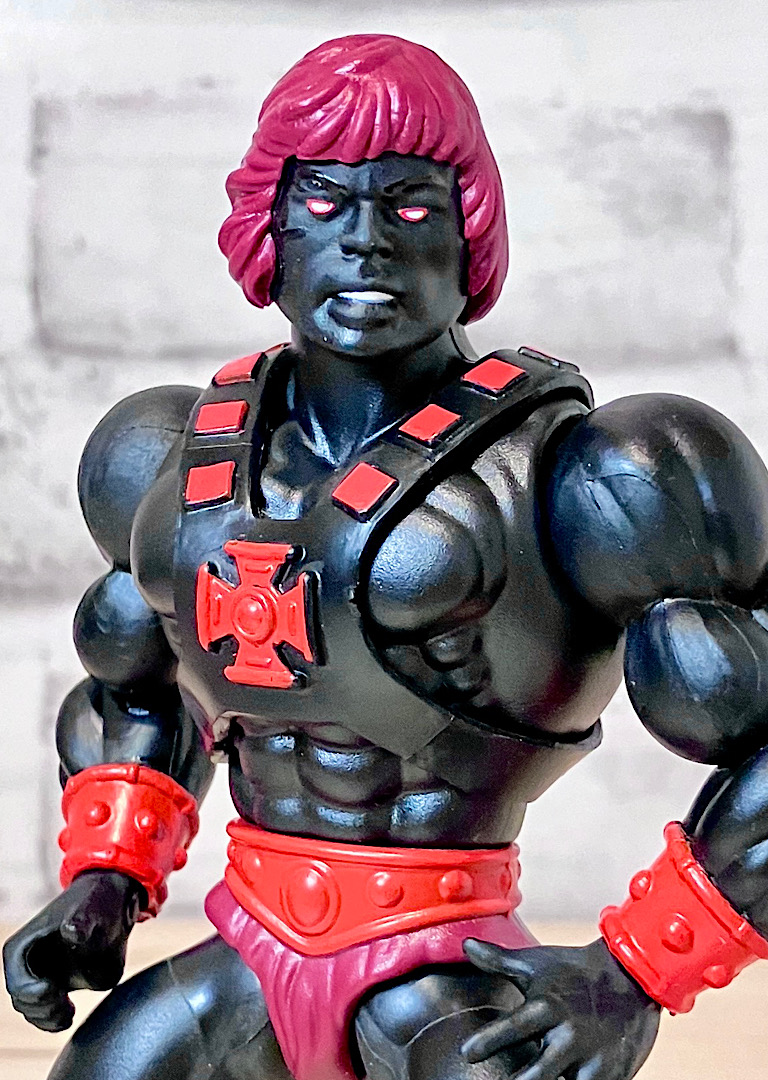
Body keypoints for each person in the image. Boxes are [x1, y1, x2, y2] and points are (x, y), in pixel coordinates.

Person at [5, 33, 768, 1080]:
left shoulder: (593, 474)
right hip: (243, 948)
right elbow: (136, 688)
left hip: (445, 966)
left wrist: (633, 971)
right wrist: (105, 880)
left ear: (471, 232)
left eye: (410, 207)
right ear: (269, 224)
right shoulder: (163, 457)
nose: (364, 241)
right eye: (324, 201)